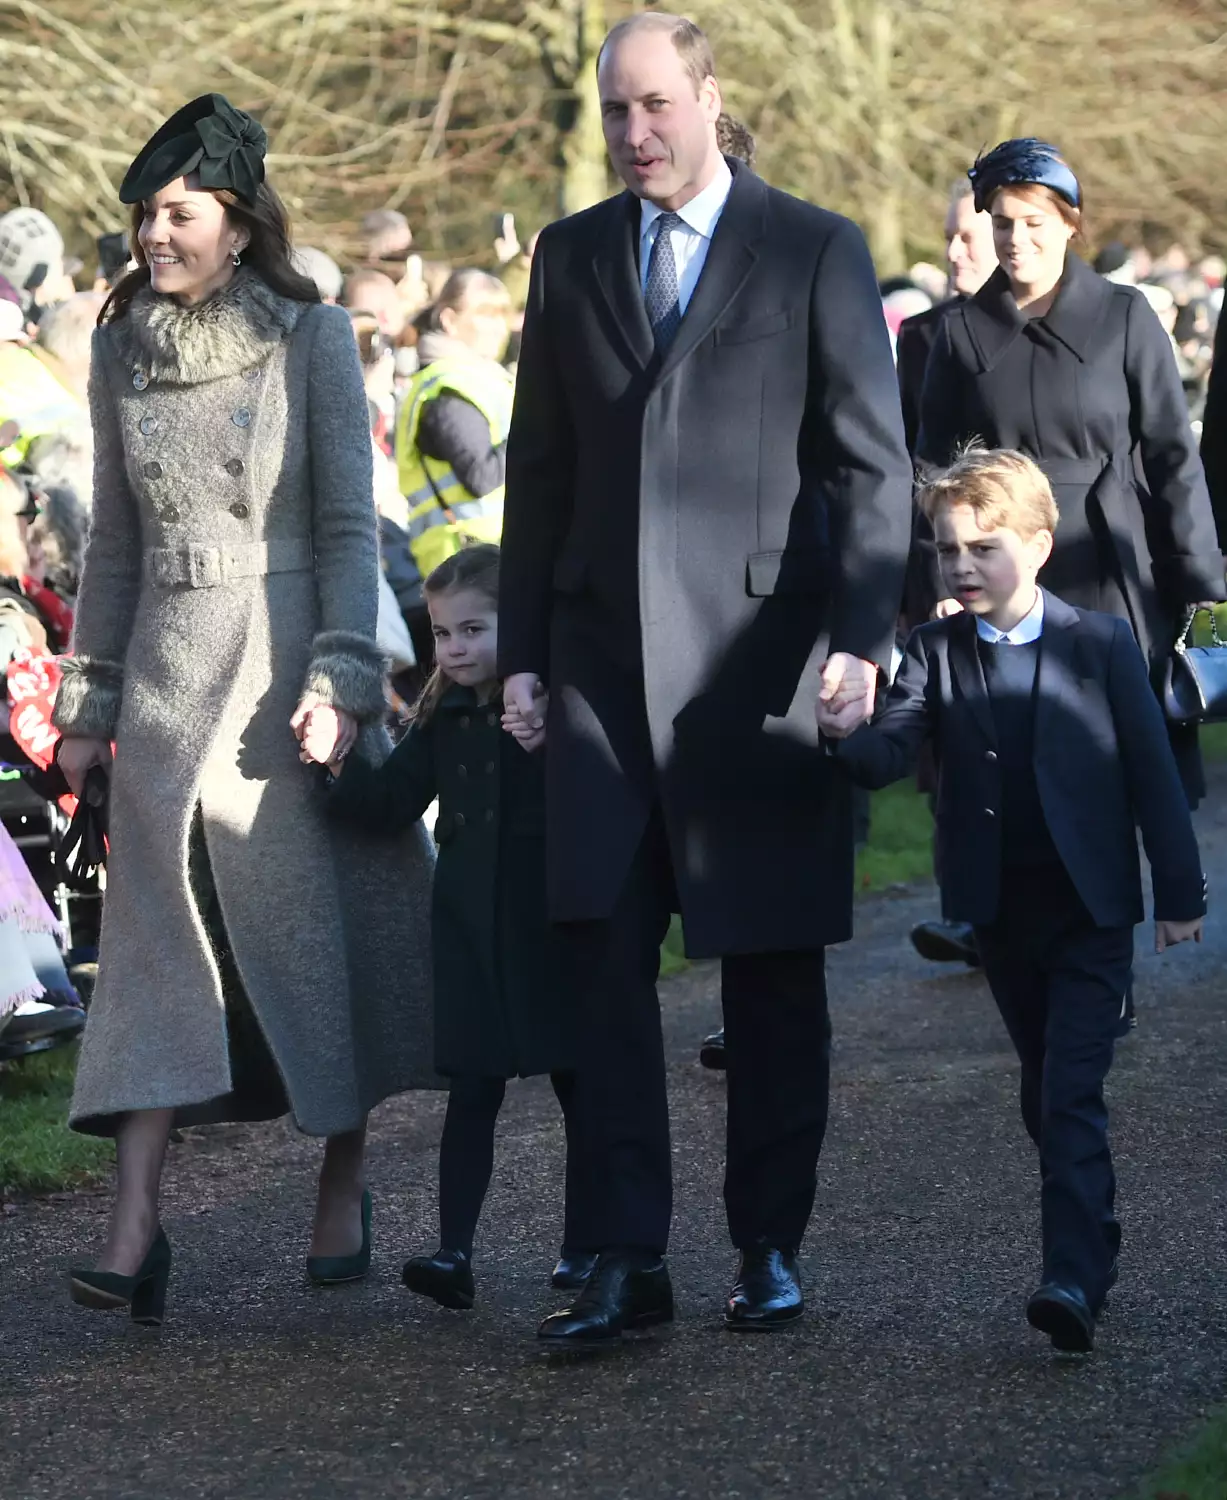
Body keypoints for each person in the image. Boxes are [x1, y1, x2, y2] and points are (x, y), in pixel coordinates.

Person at [499, 12, 912, 1346]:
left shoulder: (810, 249)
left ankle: (766, 1243)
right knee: (597, 958)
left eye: (656, 106)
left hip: (760, 673)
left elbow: (866, 465)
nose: (634, 134)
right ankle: (627, 1256)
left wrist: (857, 633)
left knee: (770, 976)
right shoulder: (566, 261)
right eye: (616, 112)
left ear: (708, 99)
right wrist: (516, 656)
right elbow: (538, 476)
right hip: (598, 675)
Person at [51, 94, 437, 1327]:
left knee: (319, 948)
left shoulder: (312, 336)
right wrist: (86, 701)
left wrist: (341, 679)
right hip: (166, 681)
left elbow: (344, 528)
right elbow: (113, 544)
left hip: (284, 687)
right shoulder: (120, 347)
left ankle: (342, 1177)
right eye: (144, 214)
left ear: (237, 221)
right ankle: (134, 1227)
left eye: (178, 212)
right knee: (157, 957)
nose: (153, 234)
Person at [819, 448, 1206, 1353]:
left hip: (1091, 910)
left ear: (1037, 545)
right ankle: (1093, 1231)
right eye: (944, 549)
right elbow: (890, 753)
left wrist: (1178, 893)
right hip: (998, 911)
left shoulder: (1101, 643)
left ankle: (1070, 1276)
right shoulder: (931, 652)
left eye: (981, 546)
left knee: (1069, 1091)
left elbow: (1151, 776)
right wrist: (839, 731)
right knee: (1043, 1089)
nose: (959, 565)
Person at [317, 544, 593, 1308]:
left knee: (580, 1083)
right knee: (472, 1090)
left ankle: (585, 1245)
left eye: (474, 629)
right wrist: (337, 765)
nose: (456, 648)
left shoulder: (549, 701)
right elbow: (393, 801)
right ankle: (453, 1251)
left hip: (550, 919)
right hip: (470, 923)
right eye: (442, 635)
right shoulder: (443, 714)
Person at [916, 138, 1226, 814]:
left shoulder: (1124, 318)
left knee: (1117, 774)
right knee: (1014, 776)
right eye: (1001, 223)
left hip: (1112, 567)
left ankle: (1137, 913)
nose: (1016, 241)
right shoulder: (960, 334)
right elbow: (930, 468)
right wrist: (939, 578)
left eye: (1033, 223)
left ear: (1069, 224)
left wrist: (1209, 606)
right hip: (1004, 573)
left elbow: (1174, 461)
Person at [899, 181, 996, 970]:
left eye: (967, 236)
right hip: (947, 568)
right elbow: (910, 461)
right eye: (948, 235)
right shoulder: (923, 337)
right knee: (953, 749)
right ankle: (966, 913)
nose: (951, 250)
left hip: (1035, 566)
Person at [395, 269, 513, 660]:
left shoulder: (482, 380)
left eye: (502, 314)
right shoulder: (447, 388)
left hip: (489, 560)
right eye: (484, 313)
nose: (498, 327)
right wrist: (540, 429)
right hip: (462, 566)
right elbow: (480, 476)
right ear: (449, 320)